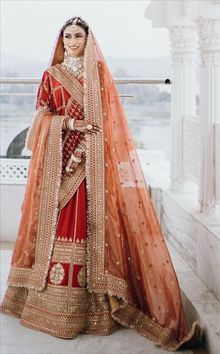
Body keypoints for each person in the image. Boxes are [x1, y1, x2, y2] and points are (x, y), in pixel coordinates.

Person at [0, 16, 202, 351]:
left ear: (88, 40)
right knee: (59, 225)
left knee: (90, 229)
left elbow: (112, 122)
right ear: (60, 40)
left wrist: (89, 142)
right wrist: (70, 125)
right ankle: (48, 306)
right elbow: (41, 118)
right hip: (61, 167)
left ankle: (93, 307)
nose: (72, 41)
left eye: (78, 35)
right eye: (67, 36)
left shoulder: (100, 77)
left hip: (93, 167)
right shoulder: (51, 76)